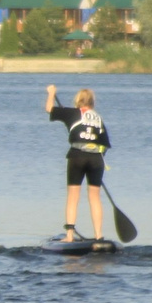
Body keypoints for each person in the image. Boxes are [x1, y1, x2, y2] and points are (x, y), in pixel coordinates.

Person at [45, 83, 110, 241]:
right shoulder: (98, 118)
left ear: (78, 101)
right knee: (95, 197)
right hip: (97, 159)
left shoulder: (72, 113)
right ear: (92, 102)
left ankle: (69, 235)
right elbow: (106, 145)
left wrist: (51, 93)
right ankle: (99, 236)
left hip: (77, 156)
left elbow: (49, 109)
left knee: (73, 196)